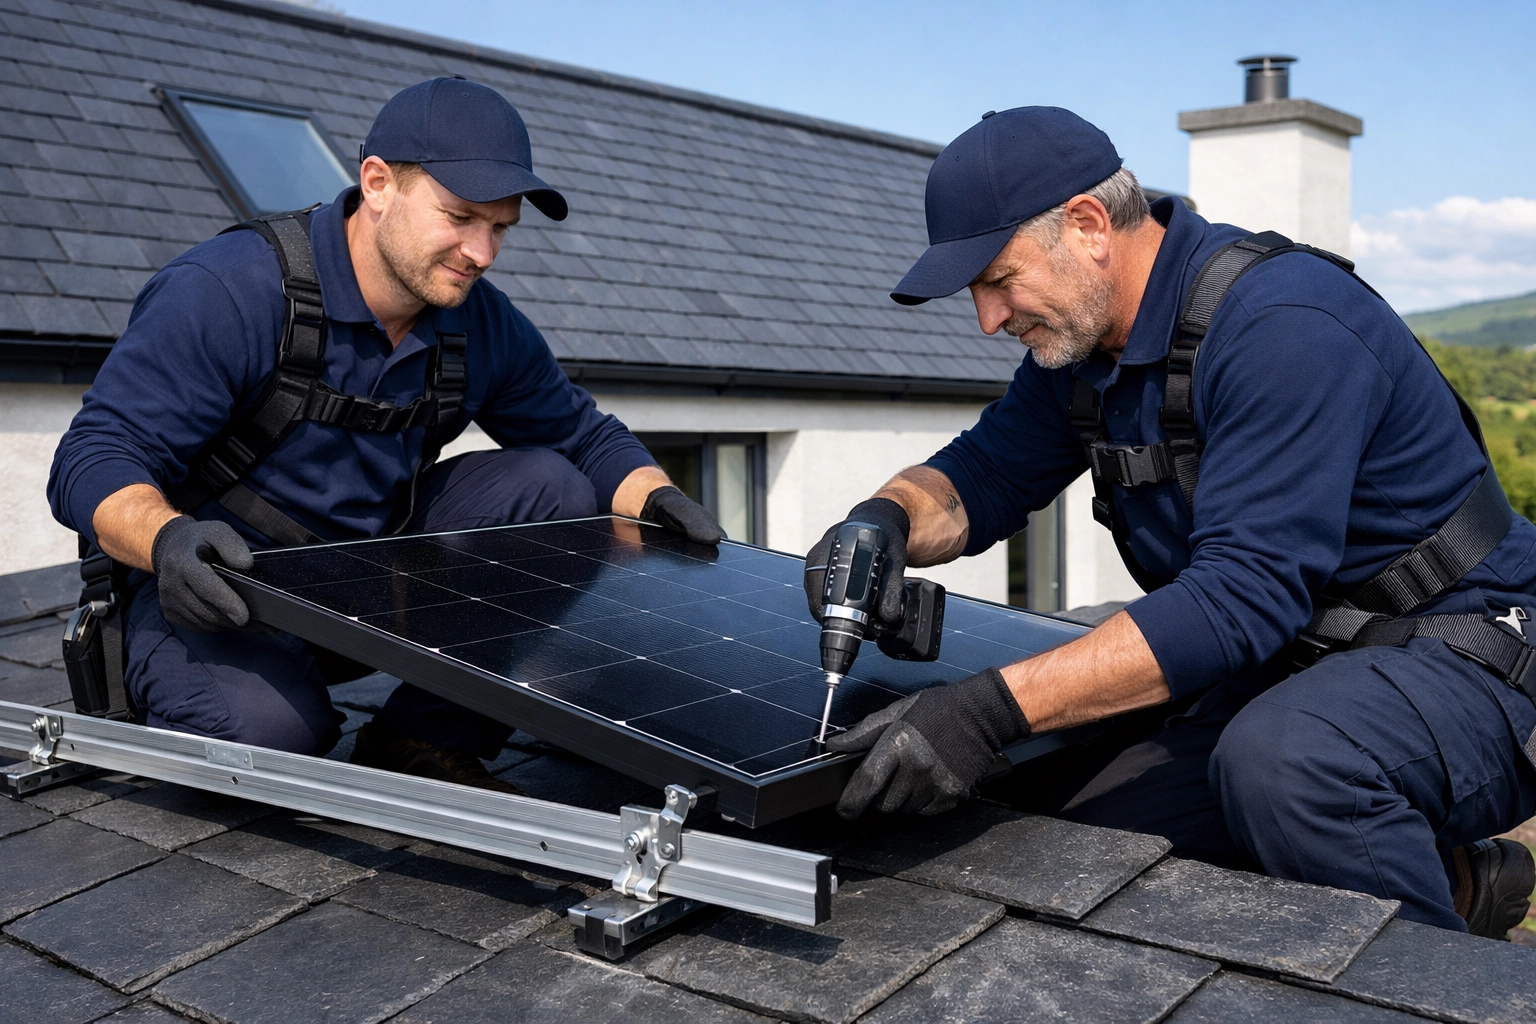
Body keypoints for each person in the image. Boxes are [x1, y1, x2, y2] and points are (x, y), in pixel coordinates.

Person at [806, 106, 1536, 938]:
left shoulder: (1284, 326)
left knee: (1289, 768)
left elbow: (1241, 599)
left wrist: (981, 712)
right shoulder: (1083, 350)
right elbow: (982, 476)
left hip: (1471, 653)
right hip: (1299, 664)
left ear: (1088, 225)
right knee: (1086, 853)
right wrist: (883, 520)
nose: (988, 318)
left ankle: (1435, 975)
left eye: (999, 280)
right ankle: (1452, 878)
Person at [48, 77, 720, 791]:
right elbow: (92, 456)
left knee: (553, 487)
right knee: (270, 741)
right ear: (377, 184)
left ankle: (423, 734)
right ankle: (246, 692)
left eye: (500, 228)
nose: (482, 253)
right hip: (217, 597)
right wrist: (167, 541)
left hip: (365, 588)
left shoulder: (478, 322)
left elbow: (585, 438)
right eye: (460, 217)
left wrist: (658, 497)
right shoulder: (230, 290)